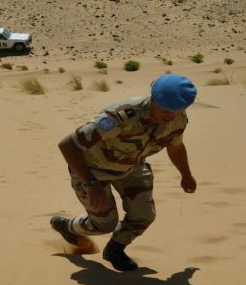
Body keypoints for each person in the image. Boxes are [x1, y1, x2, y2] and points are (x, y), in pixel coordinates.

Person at [51, 74, 197, 272]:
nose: (170, 116)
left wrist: (186, 175)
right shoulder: (120, 118)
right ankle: (68, 227)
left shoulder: (178, 120)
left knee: (144, 216)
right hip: (94, 171)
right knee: (104, 224)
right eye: (165, 110)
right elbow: (68, 145)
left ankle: (115, 249)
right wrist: (92, 184)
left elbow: (176, 147)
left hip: (132, 169)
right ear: (153, 100)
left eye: (178, 111)